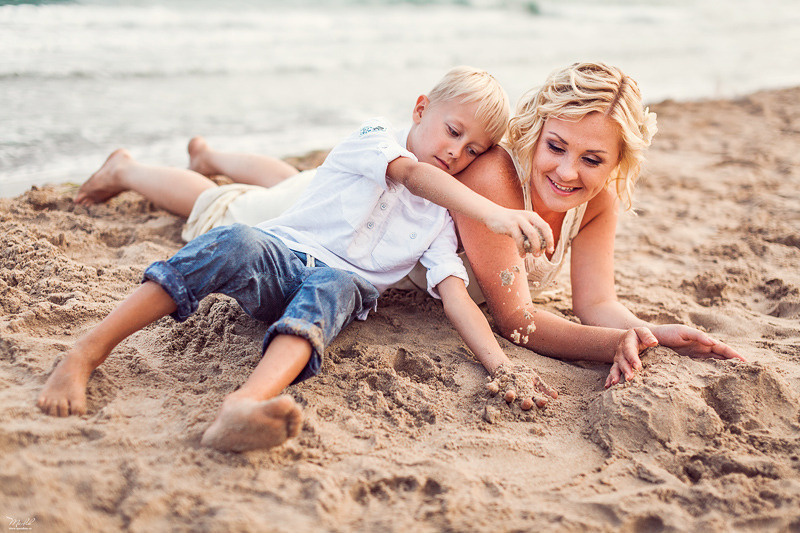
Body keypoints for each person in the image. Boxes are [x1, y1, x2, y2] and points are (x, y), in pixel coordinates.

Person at [38, 66, 559, 452]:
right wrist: (494, 212)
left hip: (335, 285)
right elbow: (411, 175)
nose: (458, 153)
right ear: (421, 109)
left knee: (339, 286)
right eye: (454, 132)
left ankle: (244, 404)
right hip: (280, 254)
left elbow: (455, 297)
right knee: (233, 233)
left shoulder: (442, 218)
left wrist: (501, 366)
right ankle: (86, 351)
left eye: (475, 150)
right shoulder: (376, 138)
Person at [449, 62, 746, 388]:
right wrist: (612, 344)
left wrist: (650, 334)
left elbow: (596, 302)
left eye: (591, 160)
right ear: (538, 129)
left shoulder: (597, 201)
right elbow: (517, 321)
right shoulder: (493, 174)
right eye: (555, 146)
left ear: (617, 161)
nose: (566, 172)